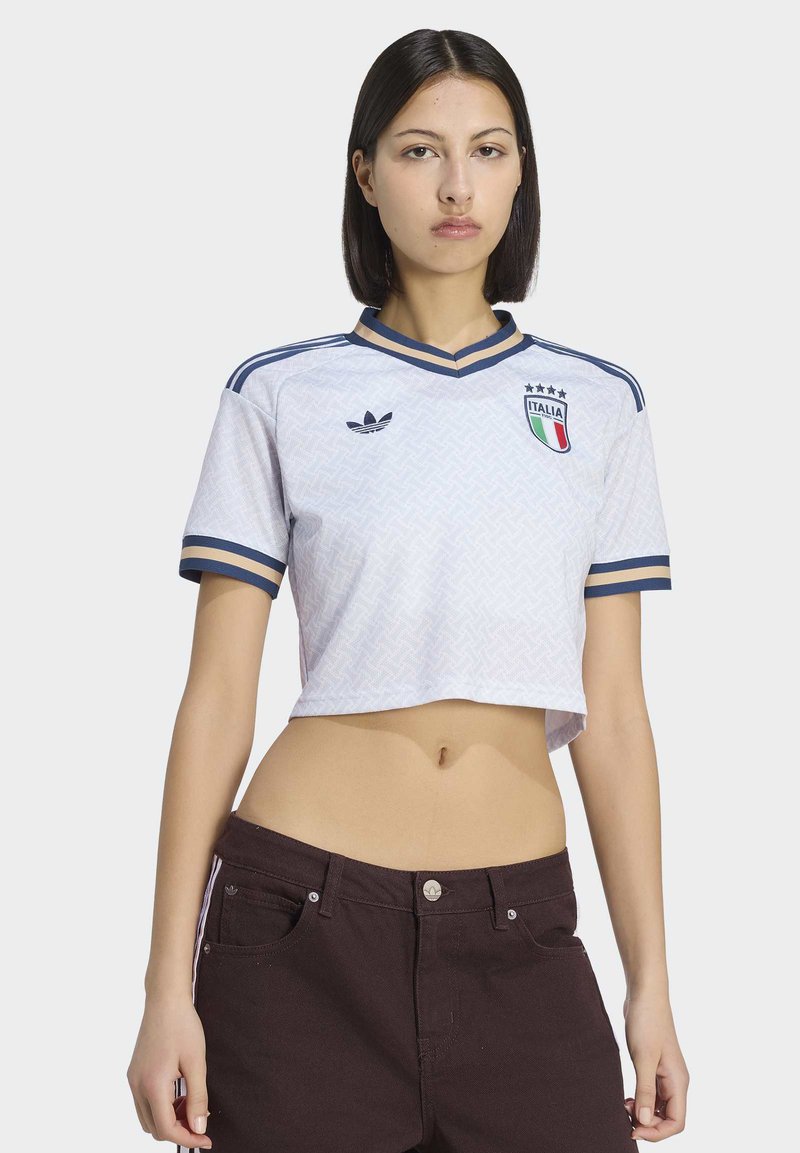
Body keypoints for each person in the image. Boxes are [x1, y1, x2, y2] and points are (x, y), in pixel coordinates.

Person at [127, 27, 690, 1152]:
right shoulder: (278, 394)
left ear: (521, 172)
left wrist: (651, 986)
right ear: (366, 173)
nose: (455, 185)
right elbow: (218, 698)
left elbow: (616, 716)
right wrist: (163, 986)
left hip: (520, 930)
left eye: (487, 150)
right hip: (299, 928)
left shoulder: (599, 405)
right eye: (419, 150)